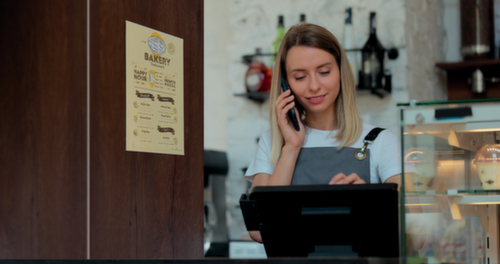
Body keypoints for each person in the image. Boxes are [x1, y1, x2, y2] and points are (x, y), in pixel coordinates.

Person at [244, 23, 408, 243]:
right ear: (285, 84)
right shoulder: (273, 142)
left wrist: (370, 203)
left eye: (324, 72)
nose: (314, 86)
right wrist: (291, 147)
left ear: (341, 71)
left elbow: (415, 233)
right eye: (300, 77)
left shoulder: (381, 141)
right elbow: (258, 231)